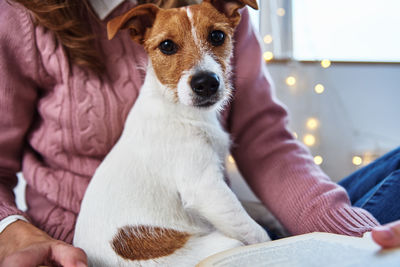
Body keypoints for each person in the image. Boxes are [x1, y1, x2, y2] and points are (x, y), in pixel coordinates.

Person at [0, 0, 399, 266]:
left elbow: (266, 140)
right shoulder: (19, 17)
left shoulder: (209, 6)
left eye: (217, 38)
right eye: (169, 48)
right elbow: (203, 192)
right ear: (139, 36)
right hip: (119, 251)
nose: (202, 72)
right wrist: (9, 229)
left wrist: (352, 231)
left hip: (210, 231)